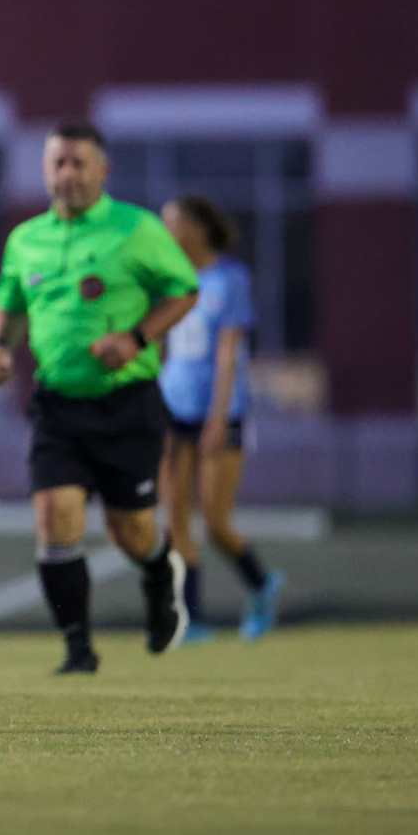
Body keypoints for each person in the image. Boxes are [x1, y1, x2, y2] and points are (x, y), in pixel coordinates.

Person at [0, 123, 200, 673]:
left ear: (103, 170)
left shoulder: (137, 229)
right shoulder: (25, 238)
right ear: (45, 170)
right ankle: (78, 649)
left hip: (128, 404)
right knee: (55, 515)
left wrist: (136, 338)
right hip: (57, 405)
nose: (67, 174)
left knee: (130, 532)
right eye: (58, 163)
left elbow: (184, 291)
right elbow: (8, 304)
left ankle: (157, 572)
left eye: (79, 163)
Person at [158, 194, 285, 641]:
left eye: (172, 221)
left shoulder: (230, 279)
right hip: (173, 410)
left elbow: (228, 353)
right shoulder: (168, 276)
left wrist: (217, 418)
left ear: (196, 226)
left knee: (214, 520)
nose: (166, 229)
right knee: (174, 517)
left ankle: (260, 584)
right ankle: (192, 620)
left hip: (220, 414)